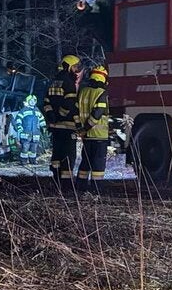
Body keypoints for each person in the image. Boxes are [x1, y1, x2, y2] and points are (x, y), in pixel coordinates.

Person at [43, 54, 81, 188]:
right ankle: (66, 184)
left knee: (56, 154)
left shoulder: (53, 82)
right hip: (67, 126)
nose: (76, 70)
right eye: (75, 67)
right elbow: (69, 103)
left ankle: (56, 179)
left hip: (55, 126)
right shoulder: (69, 83)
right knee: (68, 155)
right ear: (68, 66)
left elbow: (46, 102)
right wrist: (61, 114)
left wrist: (51, 115)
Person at [75, 65, 110, 192]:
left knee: (86, 162)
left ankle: (80, 186)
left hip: (87, 136)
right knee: (98, 164)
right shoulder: (102, 93)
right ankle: (96, 189)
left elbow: (77, 111)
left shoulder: (83, 91)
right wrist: (87, 127)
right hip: (99, 135)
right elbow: (97, 113)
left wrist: (81, 129)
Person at [13, 94, 43, 165]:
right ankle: (23, 161)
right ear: (28, 101)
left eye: (34, 100)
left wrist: (43, 126)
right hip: (26, 133)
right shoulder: (23, 110)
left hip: (35, 133)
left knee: (34, 148)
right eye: (31, 100)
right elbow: (18, 120)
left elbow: (41, 119)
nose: (32, 102)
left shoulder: (37, 110)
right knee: (25, 148)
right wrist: (19, 128)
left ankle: (33, 161)